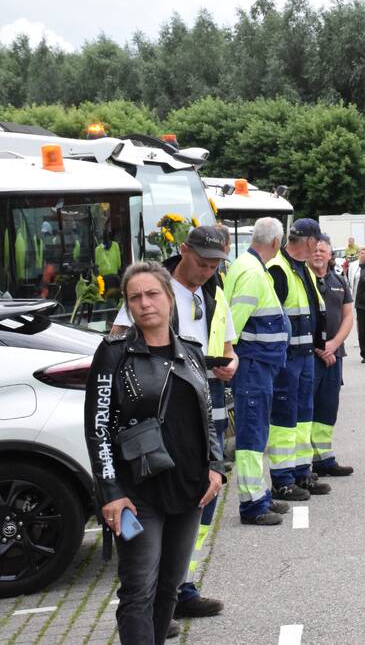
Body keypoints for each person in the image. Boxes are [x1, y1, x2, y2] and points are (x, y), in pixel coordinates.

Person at [85, 261, 224, 644]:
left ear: (169, 298)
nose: (145, 304)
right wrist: (111, 493)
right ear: (128, 306)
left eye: (152, 294)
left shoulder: (192, 353)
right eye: (135, 298)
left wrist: (216, 468)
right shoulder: (113, 354)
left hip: (190, 488)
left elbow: (206, 418)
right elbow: (98, 429)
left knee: (169, 589)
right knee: (138, 591)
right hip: (137, 492)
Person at [110, 227, 237, 621]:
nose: (207, 270)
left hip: (202, 411)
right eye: (201, 262)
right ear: (183, 251)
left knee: (199, 506)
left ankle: (183, 586)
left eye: (215, 265)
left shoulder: (213, 293)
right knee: (146, 558)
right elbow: (116, 352)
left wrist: (228, 364)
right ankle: (156, 599)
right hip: (154, 426)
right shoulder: (152, 291)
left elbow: (227, 347)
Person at [223, 217, 290, 525]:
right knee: (252, 434)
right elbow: (233, 323)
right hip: (252, 364)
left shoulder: (247, 265)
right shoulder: (252, 272)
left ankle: (259, 494)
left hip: (257, 364)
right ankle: (252, 505)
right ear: (276, 242)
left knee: (257, 430)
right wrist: (228, 356)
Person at [267, 218, 331, 500]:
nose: (318, 247)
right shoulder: (278, 270)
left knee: (304, 416)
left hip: (304, 358)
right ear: (308, 241)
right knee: (284, 418)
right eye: (316, 242)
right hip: (287, 359)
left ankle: (301, 473)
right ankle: (282, 478)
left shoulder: (301, 269)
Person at [309, 235, 356, 477]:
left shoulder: (339, 281)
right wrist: (320, 347)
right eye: (314, 250)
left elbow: (348, 316)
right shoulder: (302, 280)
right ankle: (300, 464)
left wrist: (334, 344)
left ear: (330, 255)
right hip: (309, 355)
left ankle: (324, 459)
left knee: (328, 408)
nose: (318, 254)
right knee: (306, 409)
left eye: (322, 250)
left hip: (334, 355)